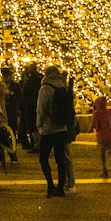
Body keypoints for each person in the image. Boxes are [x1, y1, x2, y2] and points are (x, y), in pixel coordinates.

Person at [37, 65, 71, 197]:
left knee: (43, 158)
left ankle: (50, 185)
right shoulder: (63, 87)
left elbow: (41, 109)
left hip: (48, 128)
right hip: (61, 127)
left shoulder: (45, 88)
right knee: (60, 159)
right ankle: (61, 187)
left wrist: (39, 125)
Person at [91, 93, 111, 177]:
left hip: (101, 135)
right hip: (110, 134)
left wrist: (90, 129)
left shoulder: (96, 114)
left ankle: (104, 170)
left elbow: (94, 123)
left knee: (102, 153)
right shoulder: (109, 113)